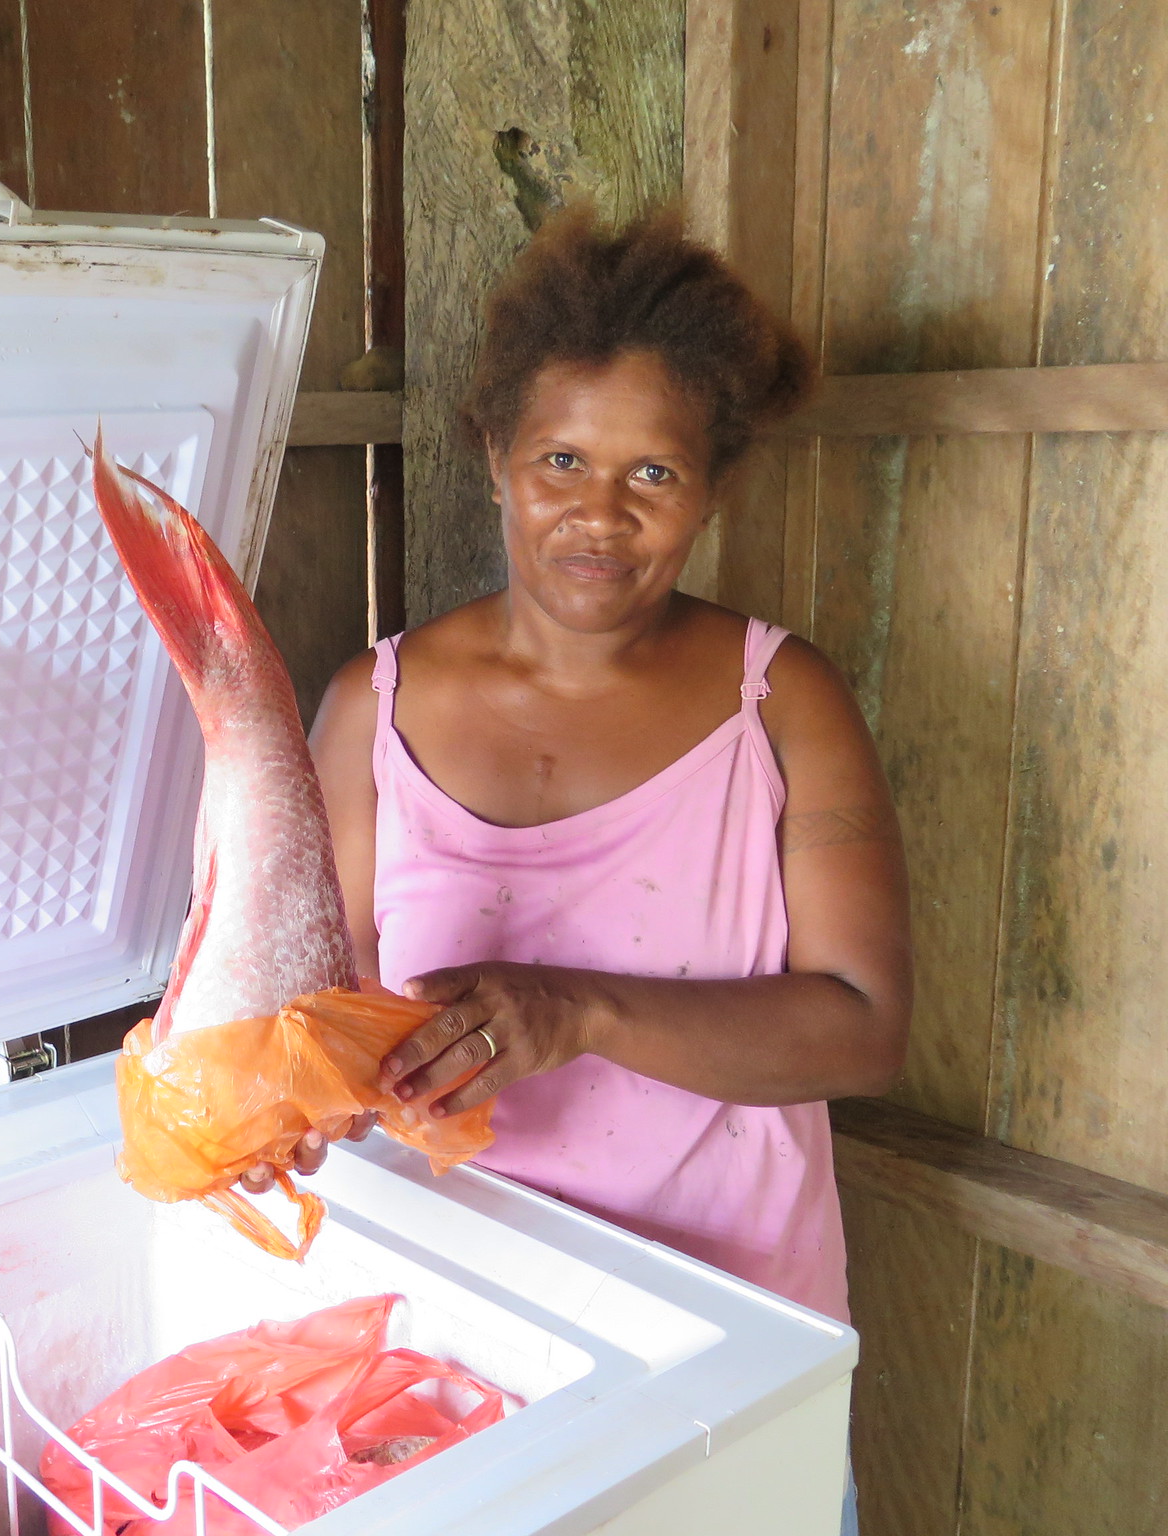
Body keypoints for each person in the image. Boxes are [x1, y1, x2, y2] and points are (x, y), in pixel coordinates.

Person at [248, 206, 909, 1530]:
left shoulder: (781, 704)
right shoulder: (370, 710)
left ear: (709, 489)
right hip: (461, 1347)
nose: (599, 514)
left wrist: (580, 1011)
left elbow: (863, 1031)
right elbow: (319, 1021)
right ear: (496, 458)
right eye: (562, 458)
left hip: (734, 1342)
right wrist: (275, 1103)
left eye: (652, 474)